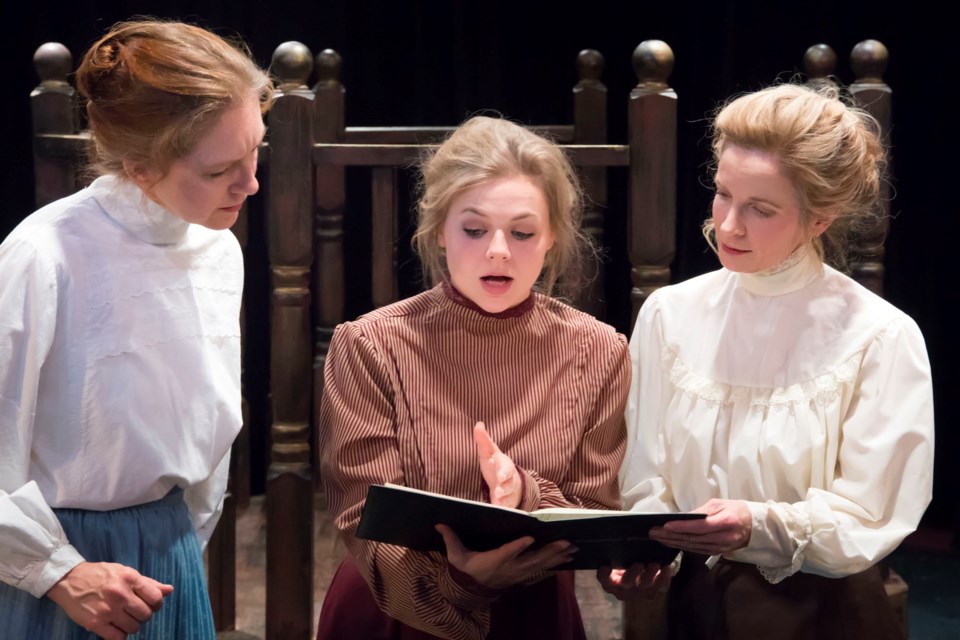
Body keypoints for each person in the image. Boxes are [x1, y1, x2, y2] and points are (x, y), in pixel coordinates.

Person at [599, 83, 934, 639]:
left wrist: (759, 526)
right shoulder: (670, 313)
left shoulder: (880, 335)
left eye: (760, 209)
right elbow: (644, 469)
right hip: (691, 610)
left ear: (820, 218)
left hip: (821, 611)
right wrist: (644, 547)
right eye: (723, 194)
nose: (729, 225)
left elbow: (871, 512)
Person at [0, 19, 273, 640]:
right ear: (141, 167)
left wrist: (179, 545)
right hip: (59, 566)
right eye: (218, 169)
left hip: (167, 554)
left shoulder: (217, 249)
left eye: (257, 147)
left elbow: (206, 434)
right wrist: (58, 573)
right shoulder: (43, 256)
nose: (251, 182)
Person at [315, 115, 630, 640]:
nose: (499, 250)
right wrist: (461, 587)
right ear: (439, 230)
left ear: (552, 235)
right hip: (398, 608)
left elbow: (593, 510)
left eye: (523, 231)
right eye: (474, 229)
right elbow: (362, 518)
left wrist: (524, 493)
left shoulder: (598, 349)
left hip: (532, 614)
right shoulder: (370, 344)